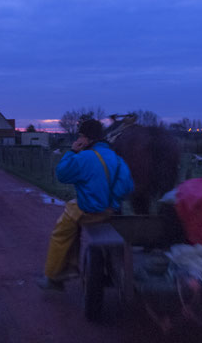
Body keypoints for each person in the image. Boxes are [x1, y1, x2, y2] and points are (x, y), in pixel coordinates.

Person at [36, 119, 134, 291]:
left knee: (62, 231)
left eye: (80, 136)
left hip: (90, 211)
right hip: (111, 211)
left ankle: (54, 276)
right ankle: (70, 266)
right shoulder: (118, 159)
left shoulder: (84, 157)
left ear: (85, 138)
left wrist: (72, 151)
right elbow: (128, 187)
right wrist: (111, 200)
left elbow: (62, 174)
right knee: (73, 211)